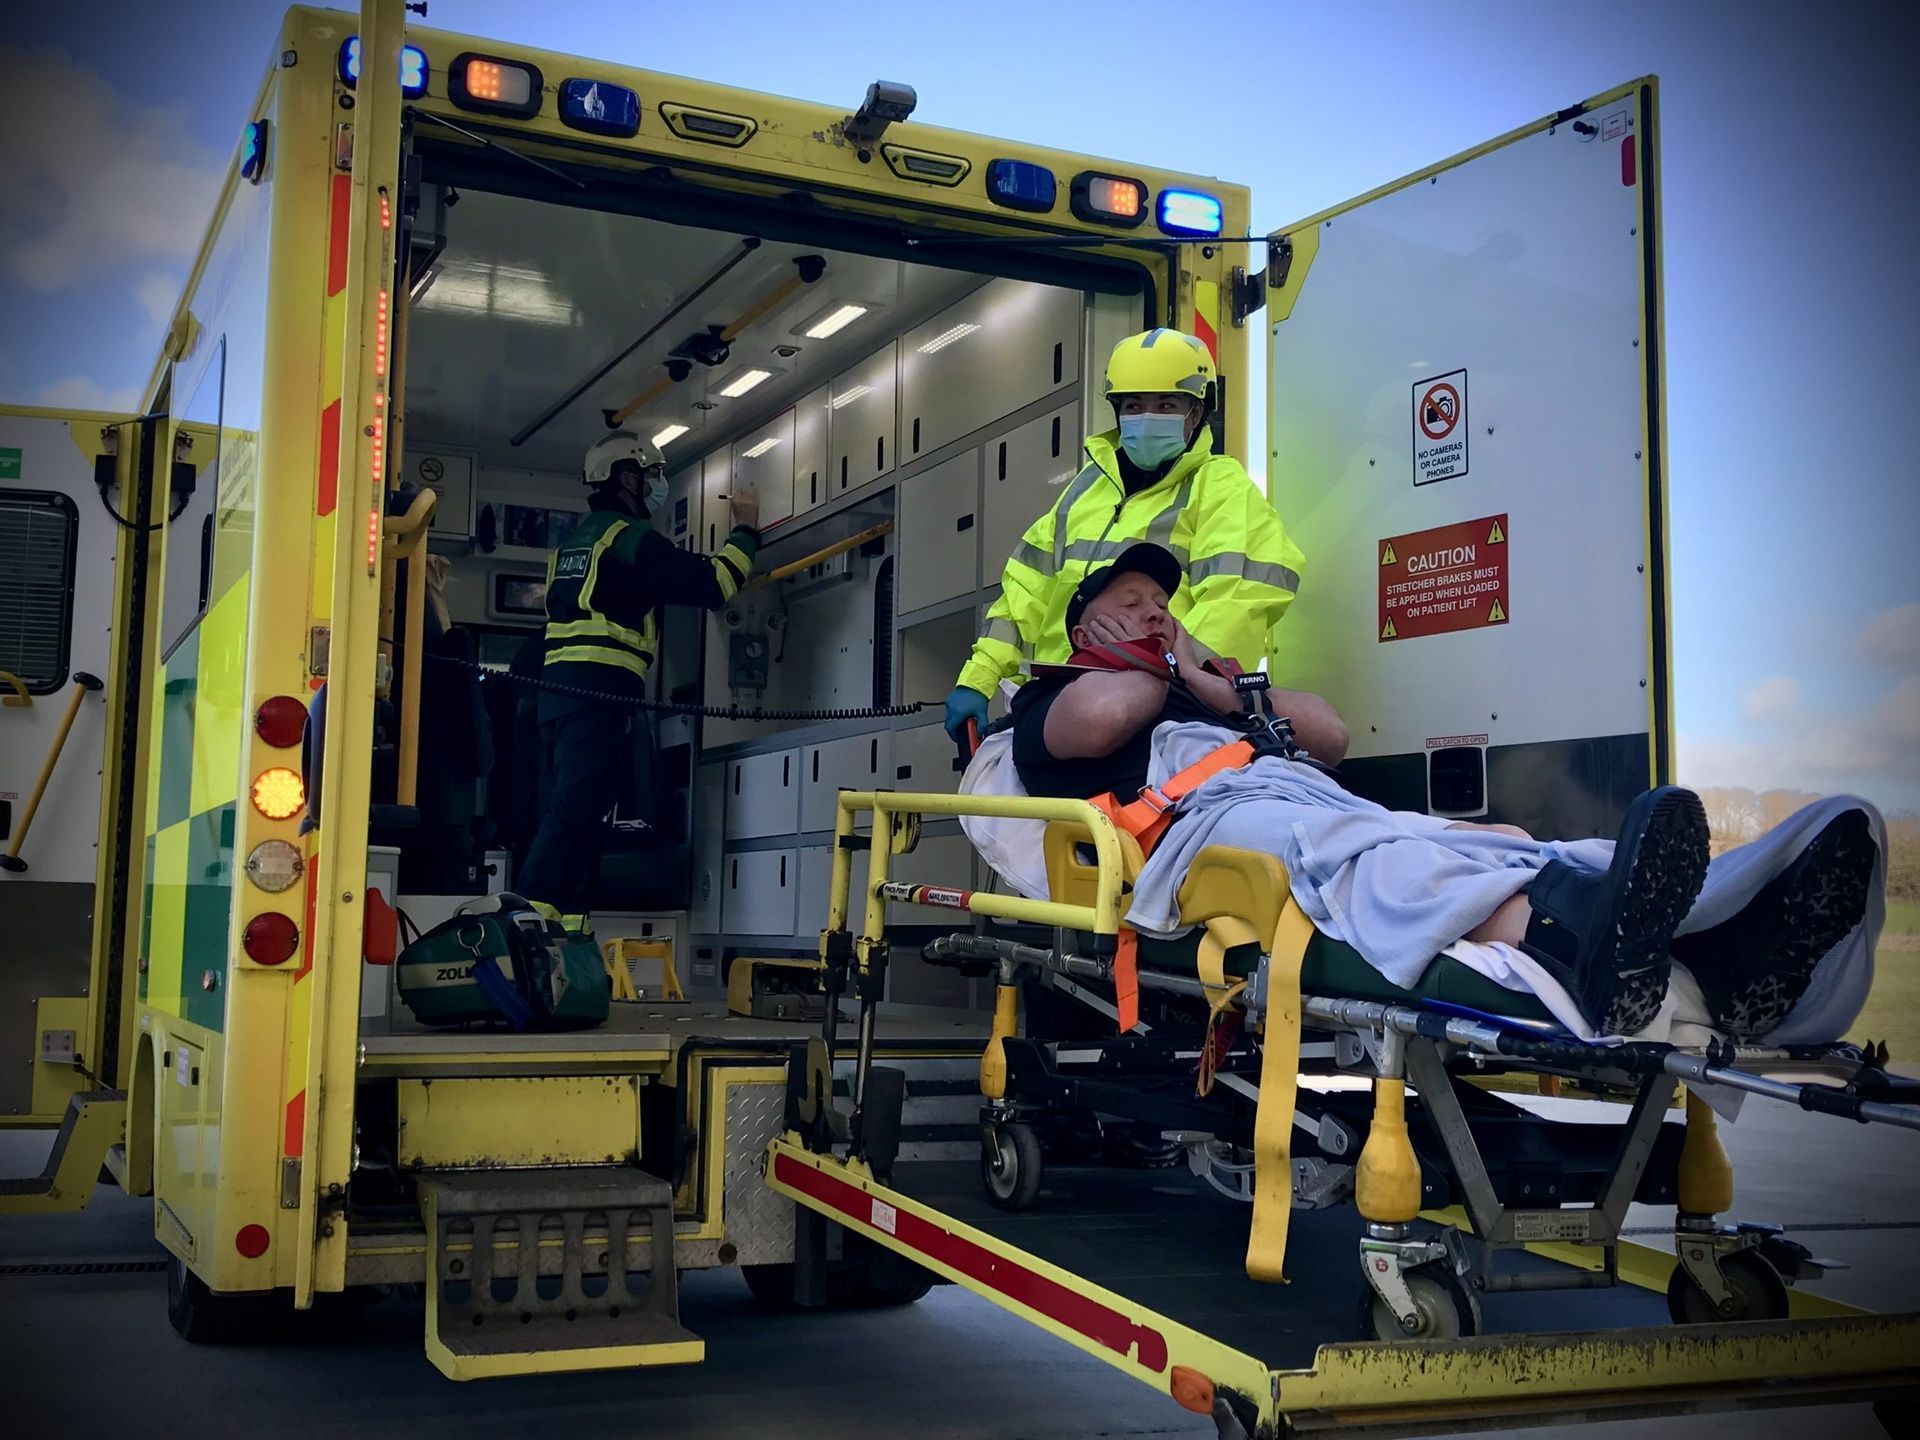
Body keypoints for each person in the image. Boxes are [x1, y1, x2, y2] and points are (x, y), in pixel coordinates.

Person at [998, 544, 1882, 1042]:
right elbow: (1110, 711)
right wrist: (1156, 662)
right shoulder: (1053, 702)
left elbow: (1332, 737)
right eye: (1134, 599)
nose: (1158, 611)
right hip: (1203, 834)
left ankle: (1728, 931)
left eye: (1166, 601)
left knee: (1489, 837)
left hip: (1291, 797)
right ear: (1084, 626)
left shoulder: (1209, 694)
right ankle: (1572, 943)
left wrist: (1230, 692)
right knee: (1373, 858)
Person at [944, 328, 1307, 742]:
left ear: (1197, 412)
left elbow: (1237, 601)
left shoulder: (1221, 488)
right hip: (1060, 701)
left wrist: (1166, 680)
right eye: (1134, 405)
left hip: (1159, 711)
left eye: (1166, 404)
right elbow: (1024, 596)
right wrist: (980, 677)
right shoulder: (1084, 490)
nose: (1147, 416)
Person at [516, 432, 760, 931]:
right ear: (627, 478)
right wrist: (746, 530)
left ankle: (567, 934)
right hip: (598, 691)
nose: (656, 486)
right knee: (574, 814)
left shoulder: (574, 543)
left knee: (578, 815)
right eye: (651, 475)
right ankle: (527, 925)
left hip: (561, 695)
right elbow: (713, 584)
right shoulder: (625, 538)